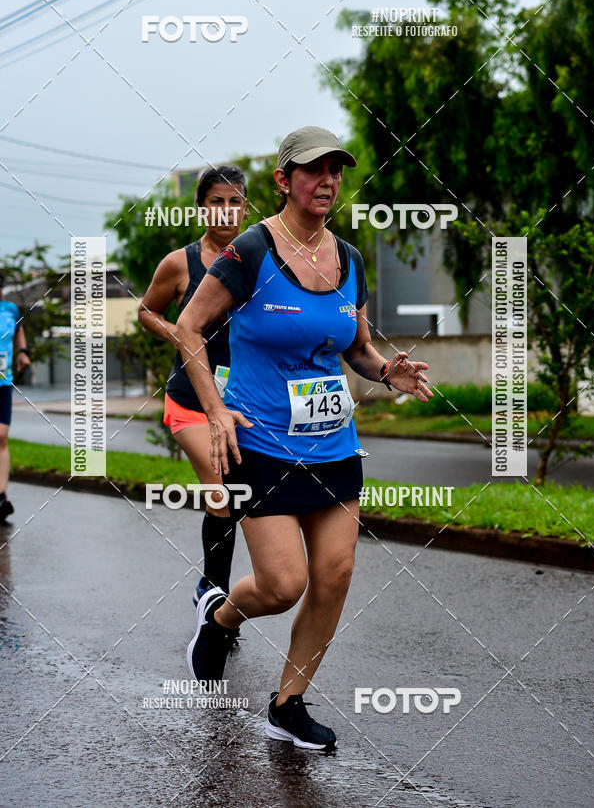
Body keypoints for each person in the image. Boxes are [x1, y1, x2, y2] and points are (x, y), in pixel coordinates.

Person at [177, 126, 433, 750]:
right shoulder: (251, 251)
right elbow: (188, 328)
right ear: (283, 180)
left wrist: (386, 372)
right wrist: (212, 411)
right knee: (282, 583)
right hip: (260, 445)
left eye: (335, 171)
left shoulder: (349, 259)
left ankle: (287, 704)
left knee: (335, 575)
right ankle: (221, 617)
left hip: (334, 446)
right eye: (313, 170)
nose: (327, 182)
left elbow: (360, 349)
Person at [138, 165, 246, 607]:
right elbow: (147, 311)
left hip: (243, 399)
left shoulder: (260, 257)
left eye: (234, 201)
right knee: (220, 485)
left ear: (245, 208)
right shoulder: (180, 263)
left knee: (238, 495)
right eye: (216, 202)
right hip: (189, 401)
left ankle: (212, 583)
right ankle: (215, 597)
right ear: (202, 207)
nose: (225, 211)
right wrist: (179, 334)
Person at [0, 273, 31, 521]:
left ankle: (1, 496)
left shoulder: (10, 309)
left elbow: (19, 330)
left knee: (1, 437)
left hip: (3, 382)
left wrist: (23, 352)